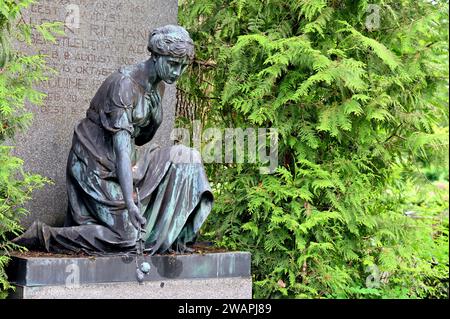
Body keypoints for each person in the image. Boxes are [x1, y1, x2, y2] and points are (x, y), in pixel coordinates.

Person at [13, 25, 213, 256]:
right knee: (126, 237)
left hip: (126, 166)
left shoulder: (158, 86)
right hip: (95, 167)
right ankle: (45, 235)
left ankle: (176, 235)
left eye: (182, 67)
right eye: (173, 64)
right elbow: (122, 150)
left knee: (188, 158)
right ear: (156, 56)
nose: (177, 73)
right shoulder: (123, 85)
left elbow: (140, 141)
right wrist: (129, 202)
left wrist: (156, 118)